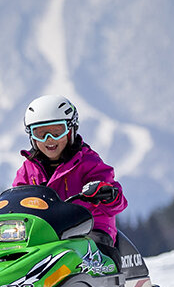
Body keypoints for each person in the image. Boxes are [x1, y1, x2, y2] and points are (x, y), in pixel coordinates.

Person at [12, 94, 127, 260]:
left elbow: (116, 201)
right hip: (45, 232)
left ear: (71, 130)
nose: (49, 140)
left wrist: (108, 194)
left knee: (86, 253)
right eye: (41, 133)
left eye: (57, 131)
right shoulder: (28, 169)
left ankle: (100, 279)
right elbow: (17, 197)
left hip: (90, 228)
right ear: (31, 136)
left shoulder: (88, 162)